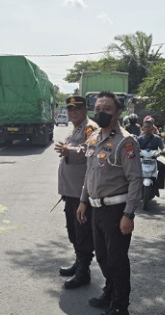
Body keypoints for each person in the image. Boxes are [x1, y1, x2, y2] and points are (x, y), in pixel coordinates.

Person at [77, 91, 143, 315]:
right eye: (97, 109)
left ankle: (120, 308)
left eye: (106, 109)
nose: (101, 113)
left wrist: (129, 214)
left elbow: (135, 179)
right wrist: (83, 201)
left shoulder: (126, 142)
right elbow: (90, 172)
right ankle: (110, 293)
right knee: (103, 257)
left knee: (116, 260)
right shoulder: (94, 137)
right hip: (96, 209)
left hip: (116, 211)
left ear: (118, 112)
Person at [55, 95, 99, 289]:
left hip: (82, 193)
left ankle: (84, 271)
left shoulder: (90, 128)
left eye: (77, 109)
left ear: (85, 110)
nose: (73, 113)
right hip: (71, 191)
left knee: (82, 232)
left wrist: (70, 151)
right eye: (70, 109)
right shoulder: (76, 128)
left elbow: (90, 150)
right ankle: (79, 262)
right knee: (73, 230)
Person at [138, 115, 165, 195]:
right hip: (141, 161)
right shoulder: (139, 139)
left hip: (153, 160)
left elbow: (162, 147)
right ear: (143, 128)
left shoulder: (157, 138)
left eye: (149, 127)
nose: (147, 128)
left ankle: (158, 186)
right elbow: (134, 147)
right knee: (131, 168)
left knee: (163, 167)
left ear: (152, 128)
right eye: (145, 127)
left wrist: (164, 151)